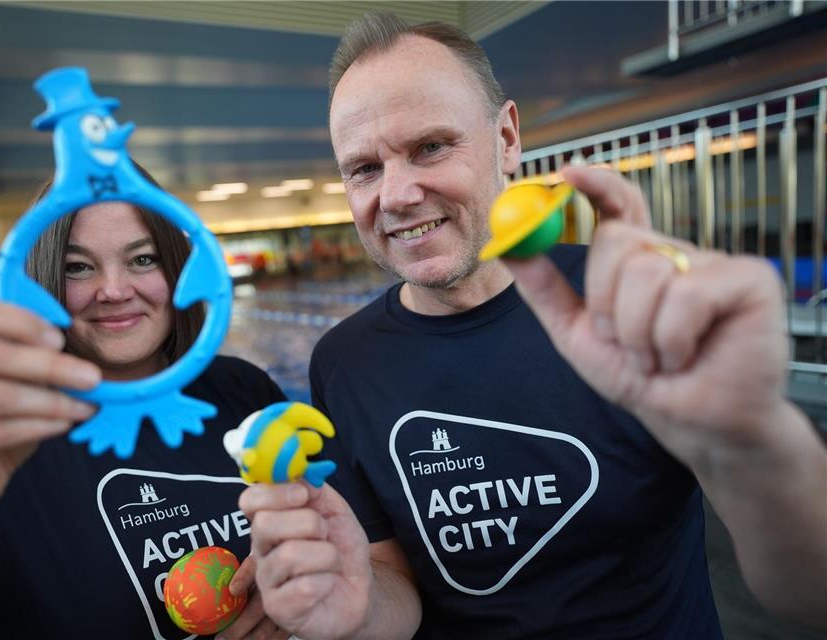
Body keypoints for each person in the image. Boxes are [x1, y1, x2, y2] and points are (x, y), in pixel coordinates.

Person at [238, 12, 827, 640]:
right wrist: (354, 608)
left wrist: (754, 438)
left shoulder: (627, 305)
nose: (397, 194)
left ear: (507, 139)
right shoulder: (342, 361)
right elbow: (392, 581)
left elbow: (811, 594)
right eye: (364, 169)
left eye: (431, 147)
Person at [0, 172, 291, 640]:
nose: (114, 290)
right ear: (44, 279)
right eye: (78, 267)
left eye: (143, 259)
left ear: (177, 269)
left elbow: (319, 527)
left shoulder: (241, 388)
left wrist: (292, 580)